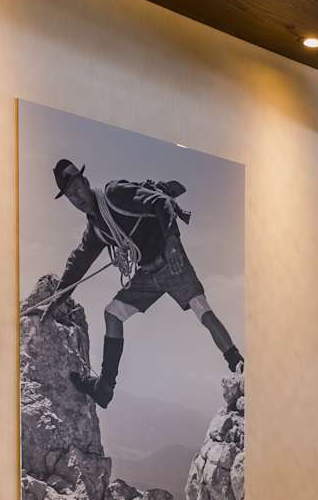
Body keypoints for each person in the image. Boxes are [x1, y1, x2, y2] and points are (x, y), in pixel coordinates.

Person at [45, 157, 239, 408]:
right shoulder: (95, 229)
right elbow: (78, 263)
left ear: (86, 181)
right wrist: (56, 300)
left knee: (202, 310)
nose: (76, 197)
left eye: (77, 188)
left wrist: (172, 241)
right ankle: (104, 389)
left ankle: (237, 362)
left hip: (171, 261)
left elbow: (160, 202)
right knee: (112, 314)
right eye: (70, 195)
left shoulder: (114, 194)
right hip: (146, 273)